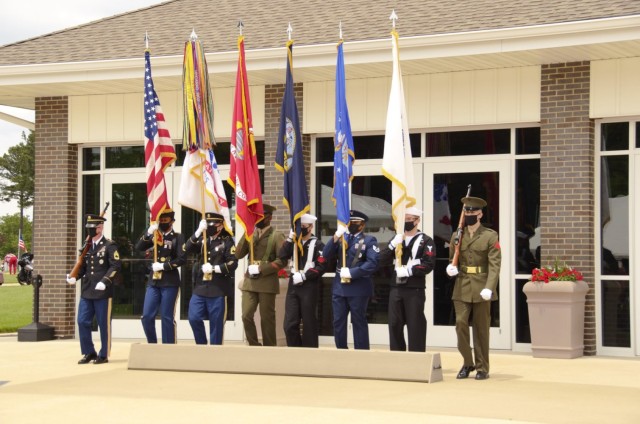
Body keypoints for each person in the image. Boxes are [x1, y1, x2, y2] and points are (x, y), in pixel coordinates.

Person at [446, 196, 501, 380]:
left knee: (481, 329)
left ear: (480, 214)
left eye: (473, 212)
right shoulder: (457, 235)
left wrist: (490, 287)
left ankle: (482, 367)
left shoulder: (490, 236)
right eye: (467, 212)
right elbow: (452, 259)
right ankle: (467, 362)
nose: (469, 215)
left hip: (481, 285)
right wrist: (450, 268)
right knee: (460, 324)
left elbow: (494, 265)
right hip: (462, 285)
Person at [66, 214, 122, 364]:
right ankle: (89, 352)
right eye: (88, 228)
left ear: (100, 227)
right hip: (87, 290)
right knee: (82, 321)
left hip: (102, 291)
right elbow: (83, 268)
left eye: (93, 228)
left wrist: (105, 280)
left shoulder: (110, 245)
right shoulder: (87, 247)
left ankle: (103, 354)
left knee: (103, 324)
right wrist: (74, 277)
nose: (90, 231)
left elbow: (115, 265)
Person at [378, 207, 436, 352]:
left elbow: (428, 265)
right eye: (405, 220)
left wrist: (410, 271)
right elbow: (380, 260)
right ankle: (397, 356)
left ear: (417, 221)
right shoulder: (397, 238)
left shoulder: (426, 241)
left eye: (410, 220)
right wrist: (391, 245)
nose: (407, 222)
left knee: (415, 324)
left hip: (414, 288)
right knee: (394, 324)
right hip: (396, 287)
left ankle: (417, 357)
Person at [322, 210, 379, 350]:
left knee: (358, 321)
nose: (351, 225)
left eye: (355, 223)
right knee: (338, 321)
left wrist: (353, 273)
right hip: (339, 288)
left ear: (362, 225)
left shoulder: (369, 240)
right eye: (349, 223)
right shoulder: (342, 239)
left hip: (358, 287)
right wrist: (336, 236)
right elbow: (325, 254)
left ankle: (361, 353)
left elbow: (373, 263)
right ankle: (341, 350)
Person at [235, 204, 286, 346]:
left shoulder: (276, 235)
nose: (256, 219)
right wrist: (246, 233)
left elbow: (282, 261)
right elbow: (238, 254)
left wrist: (262, 269)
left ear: (269, 218)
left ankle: (269, 348)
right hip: (250, 282)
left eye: (260, 216)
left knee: (267, 318)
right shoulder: (251, 234)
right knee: (246, 315)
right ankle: (254, 345)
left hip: (267, 282)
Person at [185, 212, 238, 345]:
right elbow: (186, 249)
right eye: (207, 224)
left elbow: (233, 263)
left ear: (220, 226)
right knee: (194, 318)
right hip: (200, 288)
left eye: (211, 224)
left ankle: (215, 353)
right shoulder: (204, 240)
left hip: (218, 289)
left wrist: (215, 269)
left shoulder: (227, 241)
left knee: (216, 325)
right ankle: (201, 345)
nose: (209, 227)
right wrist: (197, 232)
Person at [135, 209, 186, 344]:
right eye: (161, 220)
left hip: (170, 282)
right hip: (154, 282)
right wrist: (149, 231)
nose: (163, 222)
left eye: (165, 220)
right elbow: (139, 247)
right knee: (146, 316)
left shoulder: (178, 237)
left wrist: (164, 266)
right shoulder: (154, 236)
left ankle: (168, 347)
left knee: (166, 317)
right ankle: (152, 344)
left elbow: (181, 259)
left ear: (172, 222)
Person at [278, 213, 328, 347]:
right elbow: (282, 255)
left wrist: (305, 276)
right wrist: (289, 239)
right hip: (293, 286)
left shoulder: (319, 245)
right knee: (289, 324)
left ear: (311, 227)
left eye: (303, 227)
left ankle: (309, 354)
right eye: (299, 227)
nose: (301, 230)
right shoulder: (294, 243)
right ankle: (295, 351)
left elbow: (321, 267)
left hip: (309, 286)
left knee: (309, 323)